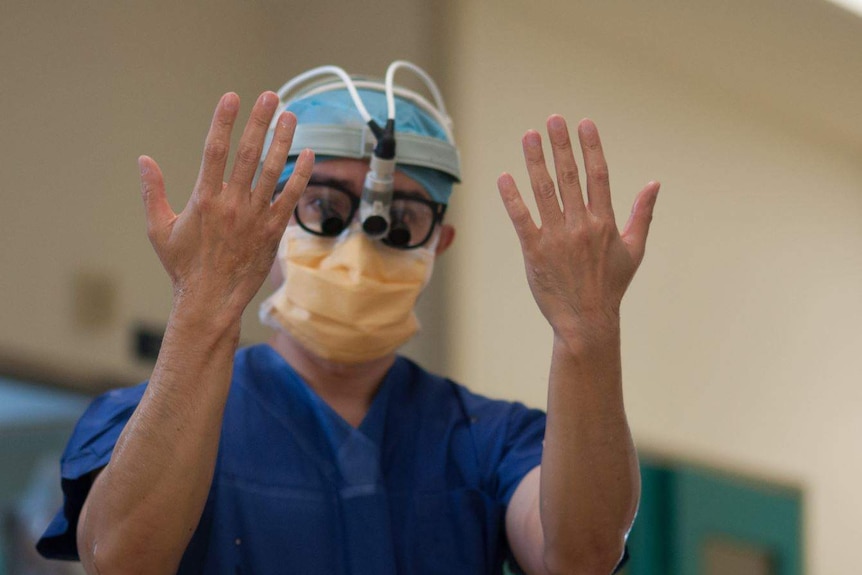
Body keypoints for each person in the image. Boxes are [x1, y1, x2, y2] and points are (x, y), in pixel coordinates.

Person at [36, 62, 659, 575]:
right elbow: (120, 560)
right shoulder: (146, 421)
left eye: (400, 219)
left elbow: (581, 557)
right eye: (325, 208)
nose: (361, 244)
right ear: (267, 224)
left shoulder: (487, 440)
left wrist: (588, 331)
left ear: (437, 244)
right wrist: (202, 305)